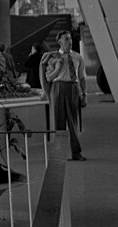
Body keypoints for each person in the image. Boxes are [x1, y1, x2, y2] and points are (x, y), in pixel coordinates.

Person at [40, 30, 87, 161]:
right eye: (66, 39)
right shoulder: (53, 57)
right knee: (59, 122)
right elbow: (48, 78)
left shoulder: (77, 57)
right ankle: (59, 155)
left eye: (70, 39)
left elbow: (82, 78)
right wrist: (57, 68)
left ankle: (76, 153)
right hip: (58, 88)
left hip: (73, 88)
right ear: (59, 42)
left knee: (73, 122)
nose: (69, 41)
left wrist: (84, 94)